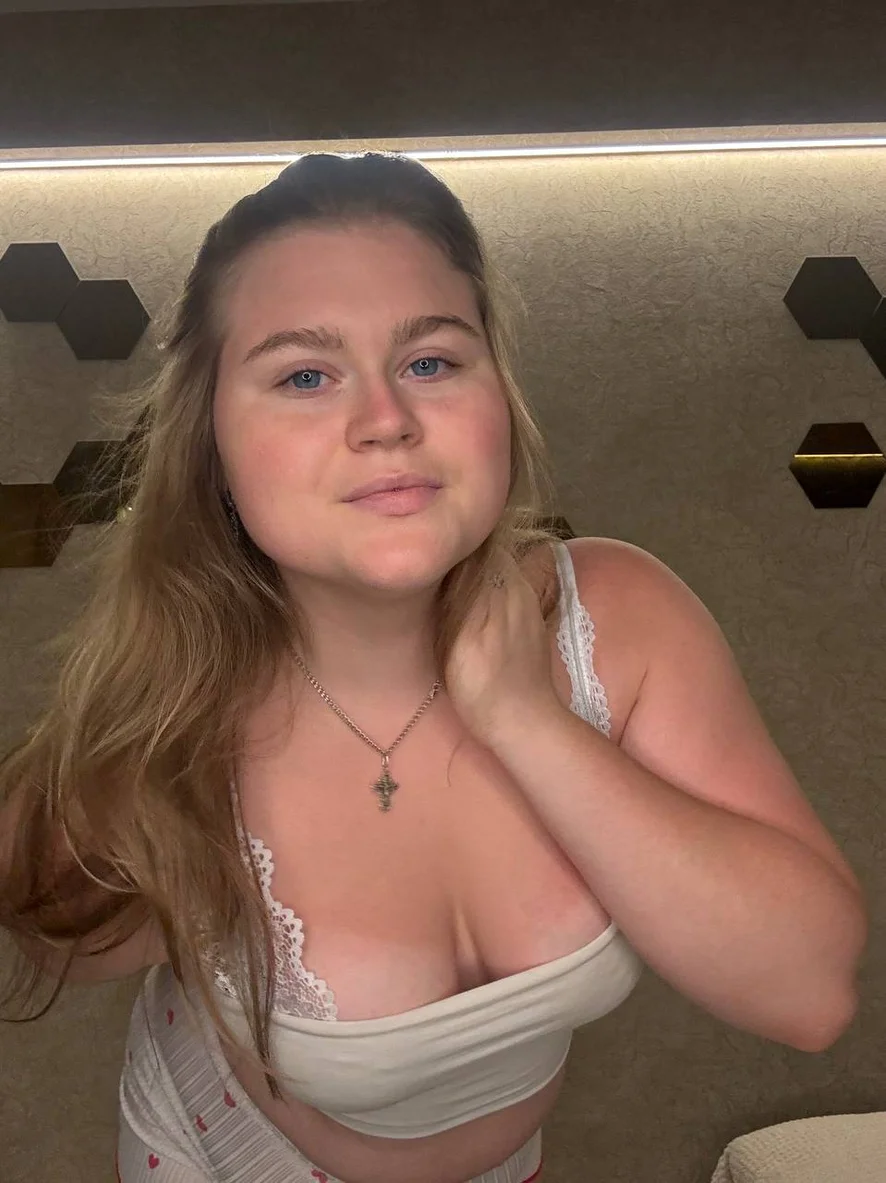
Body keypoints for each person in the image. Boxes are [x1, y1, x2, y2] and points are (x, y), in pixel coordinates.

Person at [0, 152, 866, 1183]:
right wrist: (158, 836)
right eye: (305, 375)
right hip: (229, 1154)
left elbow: (809, 994)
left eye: (431, 361)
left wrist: (524, 718)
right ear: (212, 446)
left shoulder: (618, 618)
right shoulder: (178, 714)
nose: (386, 421)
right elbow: (57, 941)